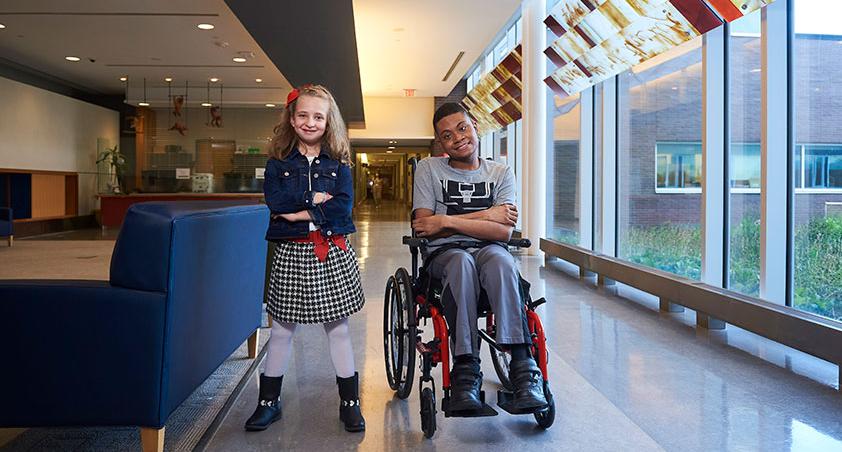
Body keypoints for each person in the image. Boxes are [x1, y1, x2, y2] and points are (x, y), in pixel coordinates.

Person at [411, 102, 547, 412]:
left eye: (462, 128)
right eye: (446, 136)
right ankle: (465, 369)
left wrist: (446, 220)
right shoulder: (428, 169)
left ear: (475, 125)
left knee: (500, 260)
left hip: (490, 251)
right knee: (462, 262)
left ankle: (524, 369)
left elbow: (503, 234)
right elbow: (424, 226)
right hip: (446, 257)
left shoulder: (500, 171)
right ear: (440, 143)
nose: (457, 138)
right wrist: (488, 216)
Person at [245, 84, 366, 433]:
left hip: (331, 250)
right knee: (281, 330)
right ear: (291, 118)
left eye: (318, 116)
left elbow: (343, 206)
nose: (310, 122)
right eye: (303, 115)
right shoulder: (277, 163)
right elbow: (277, 203)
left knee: (339, 329)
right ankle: (268, 402)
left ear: (329, 122)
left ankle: (350, 403)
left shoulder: (340, 163)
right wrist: (315, 199)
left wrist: (302, 214)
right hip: (290, 252)